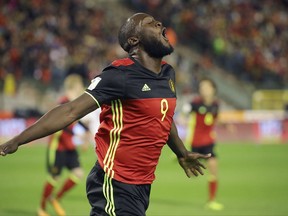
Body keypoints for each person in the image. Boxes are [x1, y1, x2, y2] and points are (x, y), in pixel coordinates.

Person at [0, 13, 211, 216]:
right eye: (150, 23)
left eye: (157, 22)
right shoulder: (119, 75)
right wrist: (17, 140)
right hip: (114, 181)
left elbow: (163, 117)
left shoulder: (168, 74)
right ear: (134, 40)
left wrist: (181, 152)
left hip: (142, 185)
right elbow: (70, 110)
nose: (159, 24)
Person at [38, 74, 92, 216]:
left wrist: (86, 131)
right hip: (57, 147)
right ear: (74, 87)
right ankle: (42, 208)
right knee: (54, 178)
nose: (81, 89)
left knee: (78, 173)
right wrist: (77, 134)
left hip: (69, 147)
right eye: (80, 87)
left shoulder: (72, 103)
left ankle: (56, 198)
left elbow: (76, 120)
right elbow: (59, 124)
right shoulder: (62, 102)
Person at [185, 78, 224, 211]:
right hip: (195, 143)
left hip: (208, 143)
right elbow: (185, 116)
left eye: (206, 87)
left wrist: (225, 125)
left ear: (213, 89)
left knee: (213, 168)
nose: (204, 90)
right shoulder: (195, 104)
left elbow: (216, 120)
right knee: (192, 172)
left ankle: (211, 200)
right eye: (202, 87)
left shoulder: (216, 105)